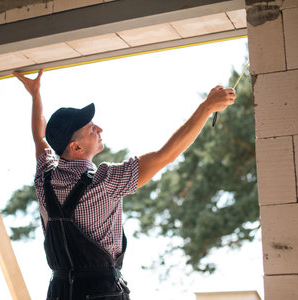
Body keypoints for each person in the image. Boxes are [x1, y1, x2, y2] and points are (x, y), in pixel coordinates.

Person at [14, 69, 236, 300]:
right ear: (76, 147)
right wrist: (206, 108)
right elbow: (165, 155)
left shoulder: (45, 178)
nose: (99, 129)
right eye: (91, 129)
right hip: (102, 293)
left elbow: (39, 137)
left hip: (59, 292)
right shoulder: (104, 181)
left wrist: (35, 94)